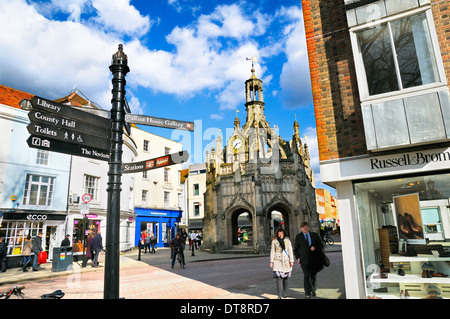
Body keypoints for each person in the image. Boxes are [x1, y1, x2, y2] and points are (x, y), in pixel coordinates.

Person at [294, 221, 324, 299]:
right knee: (306, 276)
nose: (305, 227)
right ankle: (307, 293)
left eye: (306, 226)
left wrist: (315, 247)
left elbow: (321, 244)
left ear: (308, 227)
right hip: (304, 260)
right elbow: (296, 249)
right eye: (303, 226)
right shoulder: (298, 236)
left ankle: (313, 289)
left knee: (313, 275)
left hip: (314, 259)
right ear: (301, 228)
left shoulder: (314, 235)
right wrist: (298, 258)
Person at [270, 228, 294, 299]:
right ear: (277, 234)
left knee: (285, 278)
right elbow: (272, 251)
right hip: (277, 260)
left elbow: (290, 251)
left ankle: (285, 292)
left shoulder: (287, 240)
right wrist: (271, 261)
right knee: (279, 278)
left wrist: (291, 261)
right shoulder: (274, 241)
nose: (280, 235)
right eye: (279, 234)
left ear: (284, 233)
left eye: (282, 234)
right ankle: (279, 295)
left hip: (286, 260)